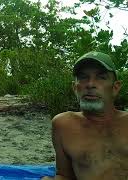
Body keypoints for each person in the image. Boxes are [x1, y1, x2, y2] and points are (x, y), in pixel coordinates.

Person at [42, 51, 128, 180]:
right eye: (83, 77)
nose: (90, 84)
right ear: (75, 88)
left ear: (115, 88)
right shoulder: (63, 125)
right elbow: (65, 174)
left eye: (101, 77)